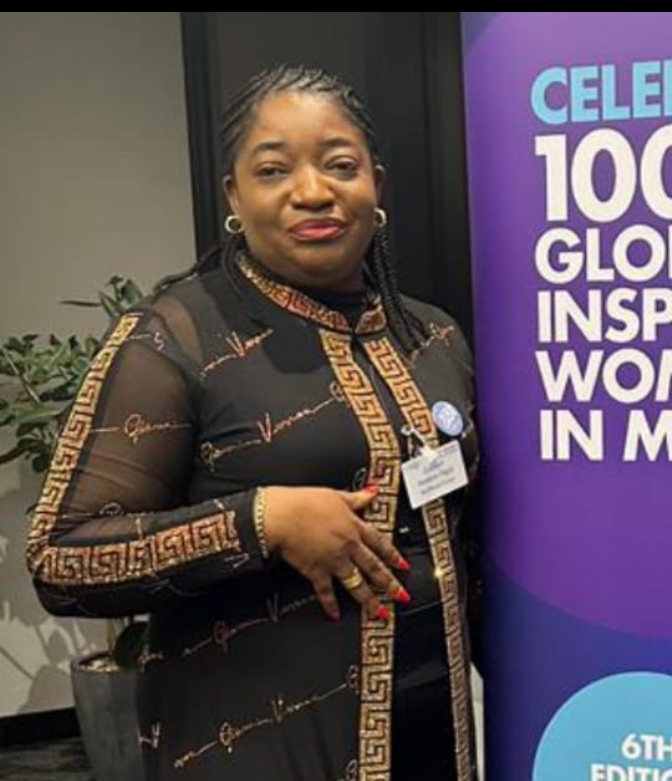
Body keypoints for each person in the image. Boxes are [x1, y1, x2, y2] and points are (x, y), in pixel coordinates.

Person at [25, 64, 482, 781]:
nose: (313, 190)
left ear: (377, 185)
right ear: (234, 197)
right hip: (251, 750)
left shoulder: (431, 335)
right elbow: (61, 559)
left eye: (340, 165)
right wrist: (261, 521)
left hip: (436, 740)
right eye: (274, 170)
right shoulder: (174, 336)